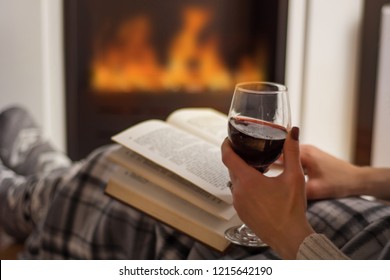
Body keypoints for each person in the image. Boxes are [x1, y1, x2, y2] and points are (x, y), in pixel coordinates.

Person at [1, 106, 390, 259]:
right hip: (355, 221)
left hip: (304, 254)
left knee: (123, 176)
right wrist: (362, 177)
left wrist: (292, 236)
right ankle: (43, 176)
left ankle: (22, 195)